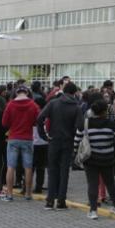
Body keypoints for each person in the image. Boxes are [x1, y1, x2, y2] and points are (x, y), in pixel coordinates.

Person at [37, 82, 84, 211]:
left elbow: (40, 118)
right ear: (74, 93)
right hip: (68, 141)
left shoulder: (53, 103)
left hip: (53, 140)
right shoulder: (76, 107)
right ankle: (61, 201)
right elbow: (80, 126)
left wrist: (44, 136)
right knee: (64, 172)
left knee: (52, 170)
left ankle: (50, 201)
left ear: (64, 91)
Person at [81, 99, 115, 220]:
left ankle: (93, 210)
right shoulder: (110, 123)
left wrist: (76, 153)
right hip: (108, 158)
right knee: (110, 182)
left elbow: (77, 139)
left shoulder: (86, 123)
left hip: (91, 159)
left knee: (93, 184)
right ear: (105, 111)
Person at [1, 85, 39, 202]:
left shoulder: (10, 105)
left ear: (16, 93)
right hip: (27, 139)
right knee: (28, 167)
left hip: (13, 138)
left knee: (11, 167)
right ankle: (28, 194)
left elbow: (4, 123)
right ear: (27, 93)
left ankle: (10, 194)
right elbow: (37, 121)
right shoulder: (33, 105)